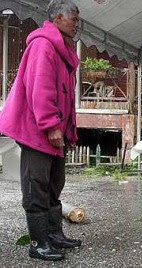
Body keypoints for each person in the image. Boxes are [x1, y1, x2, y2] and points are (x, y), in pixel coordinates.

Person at [0, 0, 81, 261]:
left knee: (55, 183)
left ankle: (54, 234)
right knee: (37, 185)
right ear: (58, 18)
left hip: (54, 130)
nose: (77, 24)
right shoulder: (43, 45)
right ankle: (38, 243)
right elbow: (41, 89)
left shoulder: (63, 49)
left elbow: (67, 97)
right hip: (38, 131)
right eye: (74, 19)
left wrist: (69, 132)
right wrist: (50, 125)